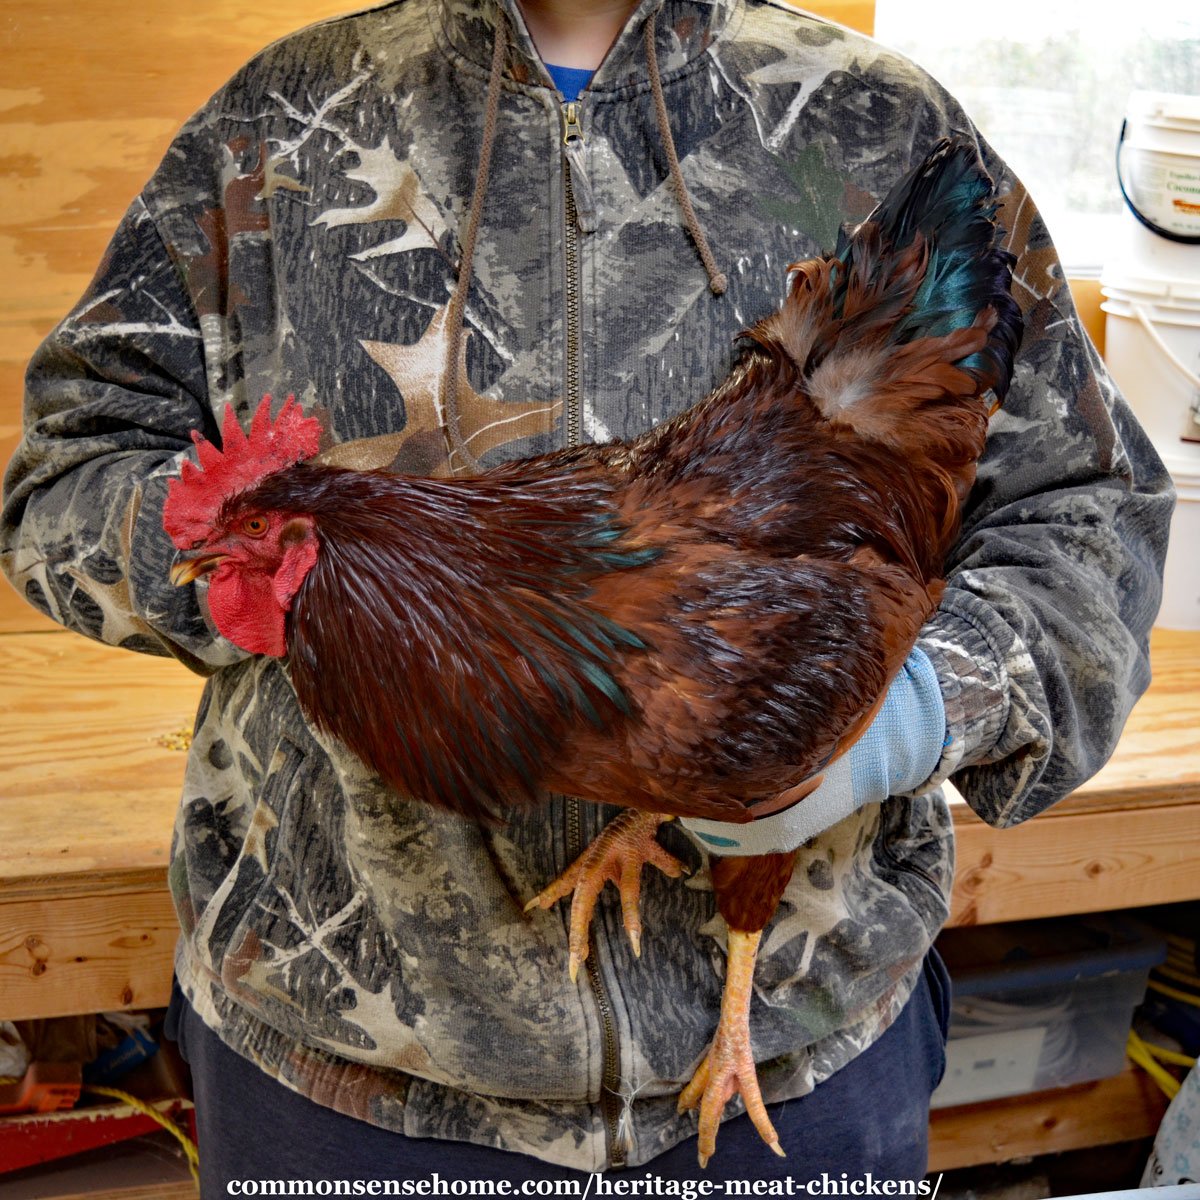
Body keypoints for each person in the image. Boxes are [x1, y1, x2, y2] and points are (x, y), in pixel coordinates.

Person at [0, 0, 1173, 1192]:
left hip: (798, 1058)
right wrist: (283, 578)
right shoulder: (277, 121)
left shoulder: (873, 115)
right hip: (345, 1069)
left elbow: (1089, 520)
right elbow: (61, 479)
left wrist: (914, 711)